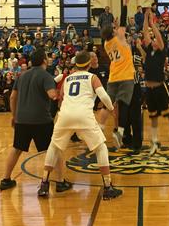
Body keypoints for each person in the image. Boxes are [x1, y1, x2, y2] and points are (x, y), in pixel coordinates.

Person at [38, 51, 122, 200]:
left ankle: (44, 184)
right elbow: (103, 96)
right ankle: (108, 186)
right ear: (89, 64)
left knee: (54, 146)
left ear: (76, 64)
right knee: (100, 147)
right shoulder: (92, 77)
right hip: (84, 115)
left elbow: (60, 98)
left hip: (65, 115)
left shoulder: (68, 78)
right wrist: (111, 109)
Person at [0, 49, 71, 193]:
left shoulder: (22, 76)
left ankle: (5, 180)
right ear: (44, 60)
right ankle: (60, 182)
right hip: (41, 120)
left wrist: (14, 116)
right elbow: (52, 95)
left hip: (21, 120)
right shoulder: (45, 76)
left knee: (17, 148)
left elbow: (12, 97)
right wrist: (61, 92)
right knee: (54, 149)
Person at [141, 8, 169, 156]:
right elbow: (146, 33)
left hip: (159, 87)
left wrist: (153, 23)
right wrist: (146, 18)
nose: (154, 40)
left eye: (156, 39)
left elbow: (156, 35)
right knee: (153, 117)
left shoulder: (162, 50)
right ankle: (155, 142)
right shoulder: (150, 48)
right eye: (153, 39)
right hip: (149, 89)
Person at [100, 5, 136, 149]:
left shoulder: (106, 43)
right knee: (124, 105)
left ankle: (100, 128)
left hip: (113, 77)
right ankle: (119, 133)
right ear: (114, 31)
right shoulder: (120, 38)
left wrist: (113, 26)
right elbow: (122, 23)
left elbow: (117, 27)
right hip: (126, 77)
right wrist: (126, 5)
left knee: (107, 105)